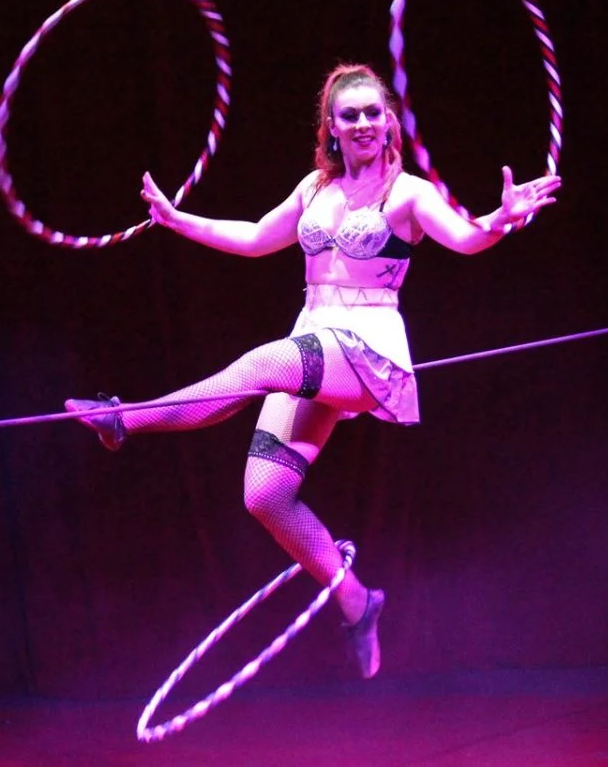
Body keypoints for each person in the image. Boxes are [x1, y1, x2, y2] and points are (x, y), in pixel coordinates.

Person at [65, 63, 561, 679]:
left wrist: (499, 220)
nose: (361, 124)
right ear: (330, 124)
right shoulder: (314, 189)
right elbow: (253, 238)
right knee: (265, 496)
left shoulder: (407, 193)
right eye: (348, 114)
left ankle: (126, 419)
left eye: (372, 113)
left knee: (261, 362)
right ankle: (356, 602)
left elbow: (464, 238)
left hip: (367, 348)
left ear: (389, 124)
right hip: (316, 334)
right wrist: (176, 220)